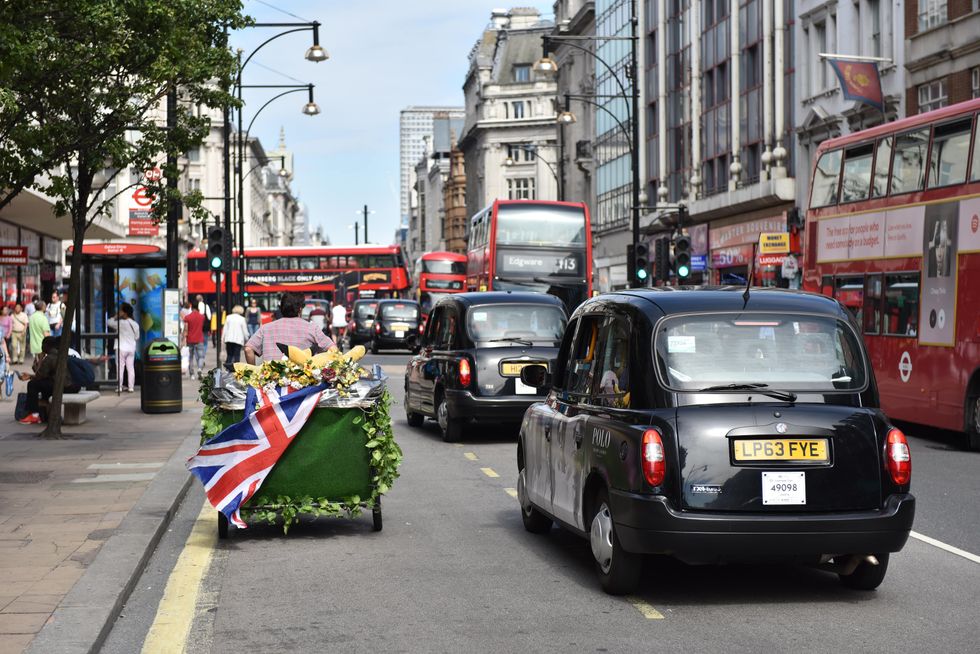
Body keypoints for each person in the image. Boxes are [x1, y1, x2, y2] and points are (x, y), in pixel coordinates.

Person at [245, 292, 334, 364]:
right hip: (303, 382)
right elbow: (333, 349)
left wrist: (253, 371)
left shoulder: (266, 328)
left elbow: (248, 349)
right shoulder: (312, 328)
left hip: (270, 382)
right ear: (300, 309)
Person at [17, 337, 82, 424]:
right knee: (44, 386)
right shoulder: (61, 354)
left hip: (65, 386)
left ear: (47, 346)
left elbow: (40, 376)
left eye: (43, 345)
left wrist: (40, 360)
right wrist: (31, 376)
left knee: (32, 385)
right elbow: (45, 376)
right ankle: (47, 415)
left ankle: (34, 415)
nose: (41, 347)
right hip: (73, 385)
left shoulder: (50, 358)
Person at [107, 302, 140, 392]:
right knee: (130, 368)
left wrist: (116, 316)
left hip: (121, 347)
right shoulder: (135, 324)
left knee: (120, 367)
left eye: (121, 310)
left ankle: (119, 387)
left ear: (124, 313)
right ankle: (131, 387)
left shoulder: (120, 323)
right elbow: (137, 337)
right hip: (131, 349)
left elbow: (109, 322)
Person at [183, 302, 207, 379]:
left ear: (191, 307)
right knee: (201, 356)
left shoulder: (188, 317)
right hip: (199, 339)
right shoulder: (202, 317)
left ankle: (192, 374)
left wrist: (183, 338)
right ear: (198, 308)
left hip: (190, 339)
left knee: (190, 357)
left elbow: (186, 329)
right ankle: (200, 368)